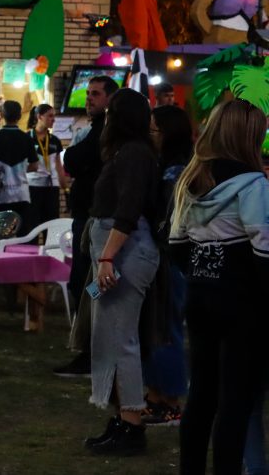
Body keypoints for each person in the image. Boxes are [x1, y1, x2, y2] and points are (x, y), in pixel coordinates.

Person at [168, 100, 269, 475]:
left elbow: (176, 245)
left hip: (200, 297)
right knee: (236, 402)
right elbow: (264, 252)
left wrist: (203, 272)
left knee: (201, 396)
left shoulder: (192, 180)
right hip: (243, 304)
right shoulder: (254, 185)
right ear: (249, 137)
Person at [83, 88, 160, 455]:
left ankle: (131, 424)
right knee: (111, 336)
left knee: (121, 339)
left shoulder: (132, 153)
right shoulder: (130, 152)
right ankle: (122, 418)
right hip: (119, 252)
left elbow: (127, 211)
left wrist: (107, 258)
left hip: (124, 253)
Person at [54, 75, 119, 378]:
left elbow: (75, 159)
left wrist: (75, 158)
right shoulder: (97, 130)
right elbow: (72, 161)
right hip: (87, 218)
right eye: (88, 93)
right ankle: (90, 347)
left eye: (96, 94)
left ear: (110, 99)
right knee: (82, 283)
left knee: (90, 286)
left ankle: (94, 350)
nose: (89, 98)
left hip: (98, 221)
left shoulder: (107, 133)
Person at [140, 104, 193, 428]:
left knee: (166, 330)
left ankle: (171, 402)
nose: (150, 135)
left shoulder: (176, 173)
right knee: (155, 329)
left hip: (170, 260)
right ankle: (156, 397)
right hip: (163, 258)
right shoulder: (169, 168)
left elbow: (170, 221)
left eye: (154, 130)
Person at [0, 101, 38, 233]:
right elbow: (35, 166)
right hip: (21, 194)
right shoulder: (26, 138)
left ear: (2, 115)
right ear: (19, 116)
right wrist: (20, 170)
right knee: (23, 236)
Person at [26, 104, 68, 226]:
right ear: (39, 117)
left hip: (51, 188)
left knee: (51, 225)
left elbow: (58, 165)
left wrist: (65, 188)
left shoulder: (55, 140)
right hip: (32, 186)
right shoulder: (26, 138)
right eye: (50, 116)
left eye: (54, 116)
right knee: (32, 224)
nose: (53, 119)